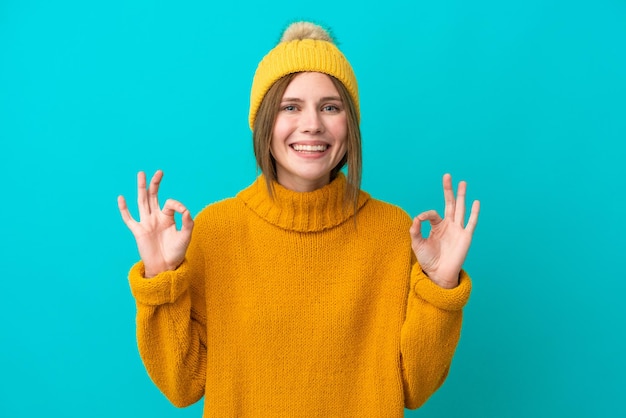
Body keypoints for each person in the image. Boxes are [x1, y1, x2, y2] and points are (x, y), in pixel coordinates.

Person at [118, 21, 480, 418]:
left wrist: (440, 286)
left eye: (330, 107)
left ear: (350, 124)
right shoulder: (216, 231)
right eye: (291, 107)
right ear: (263, 124)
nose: (313, 124)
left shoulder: (394, 232)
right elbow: (183, 385)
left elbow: (412, 387)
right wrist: (159, 278)